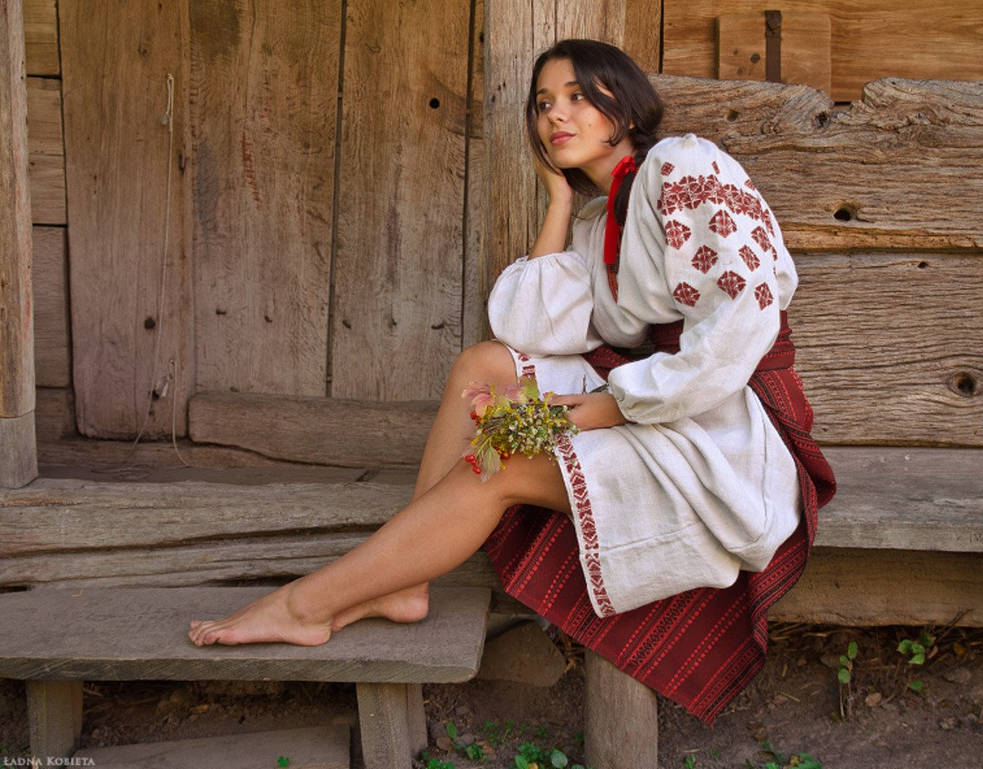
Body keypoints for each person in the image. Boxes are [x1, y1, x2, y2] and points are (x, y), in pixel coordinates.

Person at [189, 39, 835, 723]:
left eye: (577, 96)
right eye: (543, 103)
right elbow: (526, 327)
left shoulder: (684, 165)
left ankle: (304, 605)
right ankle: (403, 583)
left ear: (624, 101)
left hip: (724, 432)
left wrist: (598, 407)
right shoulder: (595, 219)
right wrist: (558, 200)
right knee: (483, 364)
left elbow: (741, 321)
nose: (556, 115)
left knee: (501, 463)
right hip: (661, 405)